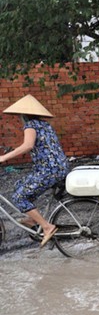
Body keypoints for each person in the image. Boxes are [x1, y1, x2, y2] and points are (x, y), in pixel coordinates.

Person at [0, 94, 69, 247]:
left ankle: (47, 227)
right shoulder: (44, 125)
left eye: (19, 115)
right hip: (58, 167)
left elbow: (28, 146)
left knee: (19, 197)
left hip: (49, 170)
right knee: (20, 185)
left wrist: (4, 158)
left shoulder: (30, 126)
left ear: (23, 115)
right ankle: (33, 219)